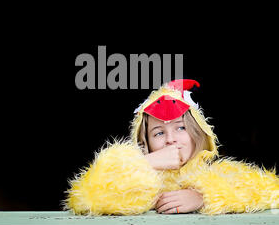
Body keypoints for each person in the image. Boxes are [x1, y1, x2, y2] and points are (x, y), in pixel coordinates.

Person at [64, 79, 279, 215]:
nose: (170, 140)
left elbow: (271, 190)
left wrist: (203, 198)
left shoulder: (217, 174)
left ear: (198, 134)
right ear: (145, 143)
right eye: (158, 133)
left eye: (180, 128)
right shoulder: (142, 182)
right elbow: (86, 197)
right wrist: (145, 163)